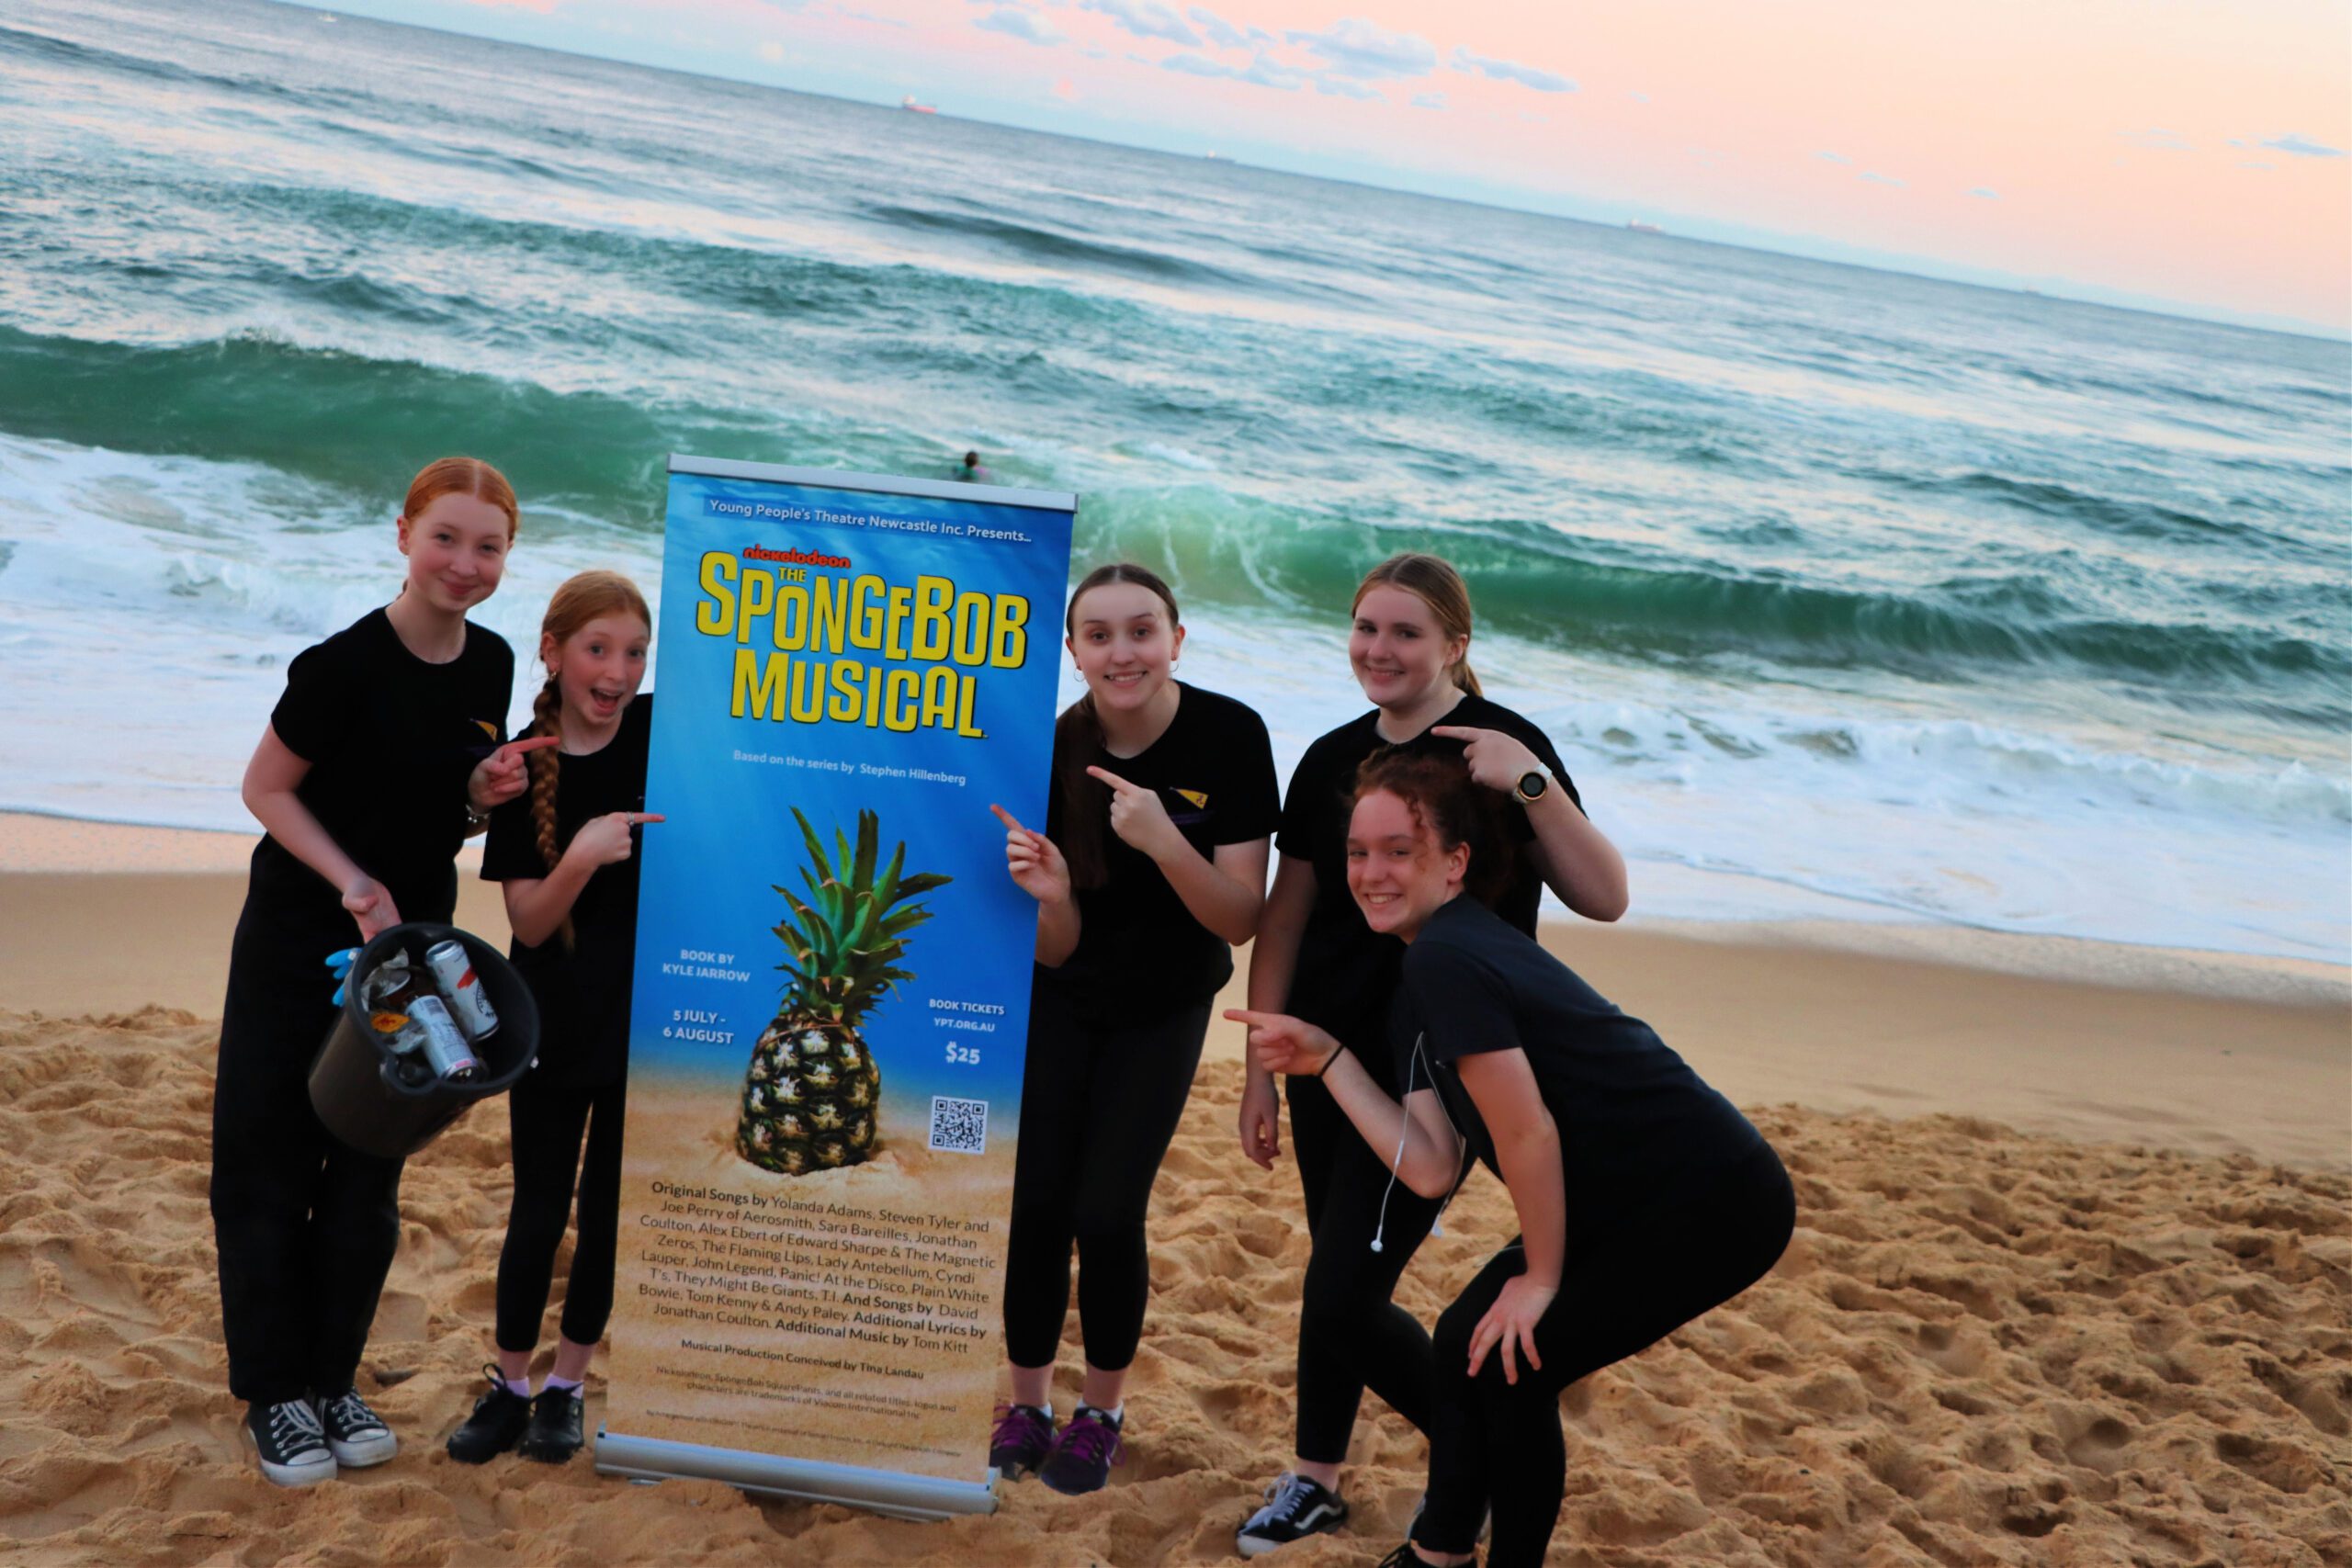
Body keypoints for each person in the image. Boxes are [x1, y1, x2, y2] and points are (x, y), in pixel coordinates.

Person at [1235, 750, 1792, 1568]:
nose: (1371, 872)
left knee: (1510, 1361)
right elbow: (1427, 1165)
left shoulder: (1447, 958)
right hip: (1627, 1195)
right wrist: (1326, 1059)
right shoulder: (1417, 979)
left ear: (1455, 864)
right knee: (1473, 1340)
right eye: (1358, 852)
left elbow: (1528, 1132)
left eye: (1400, 850)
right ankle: (1443, 1552)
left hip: (1709, 1198)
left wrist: (1539, 1279)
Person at [1233, 552, 1628, 1556]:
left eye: (1406, 632)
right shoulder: (1330, 757)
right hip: (1327, 1053)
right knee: (1337, 1276)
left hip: (1443, 1065)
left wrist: (1528, 783)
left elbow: (1603, 895)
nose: (1380, 649)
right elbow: (1286, 919)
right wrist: (1256, 1066)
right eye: (1367, 627)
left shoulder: (1505, 752)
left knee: (1342, 1297)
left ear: (1455, 644)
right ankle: (1317, 1477)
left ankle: (1469, 1457)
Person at [213, 457, 546, 1486]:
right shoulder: (340, 666)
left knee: (366, 1168)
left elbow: (435, 807)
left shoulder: (489, 665)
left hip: (410, 956)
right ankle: (275, 1397)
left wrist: (482, 794)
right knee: (267, 1166)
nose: (465, 562)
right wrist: (355, 886)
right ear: (401, 534)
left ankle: (331, 1379)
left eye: (487, 546)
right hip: (298, 940)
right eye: (445, 537)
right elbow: (265, 789)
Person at [988, 563, 1278, 1495]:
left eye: (1142, 630)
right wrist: (1057, 894)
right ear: (1072, 652)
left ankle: (1100, 1413)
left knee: (1106, 1213)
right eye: (1101, 635)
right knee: (1035, 1210)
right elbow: (1055, 947)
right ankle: (1026, 1402)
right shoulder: (1047, 748)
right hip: (1061, 1001)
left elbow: (1238, 917)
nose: (1124, 651)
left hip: (1164, 1007)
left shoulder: (1231, 734)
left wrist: (1162, 839)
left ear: (1176, 641)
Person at [447, 570, 661, 1466]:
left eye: (634, 653)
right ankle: (511, 1383)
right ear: (553, 651)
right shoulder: (522, 763)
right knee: (537, 1206)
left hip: (643, 1020)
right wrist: (580, 855)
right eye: (596, 649)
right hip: (549, 1019)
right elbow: (529, 922)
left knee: (606, 1213)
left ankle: (567, 1387)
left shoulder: (660, 734)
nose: (615, 672)